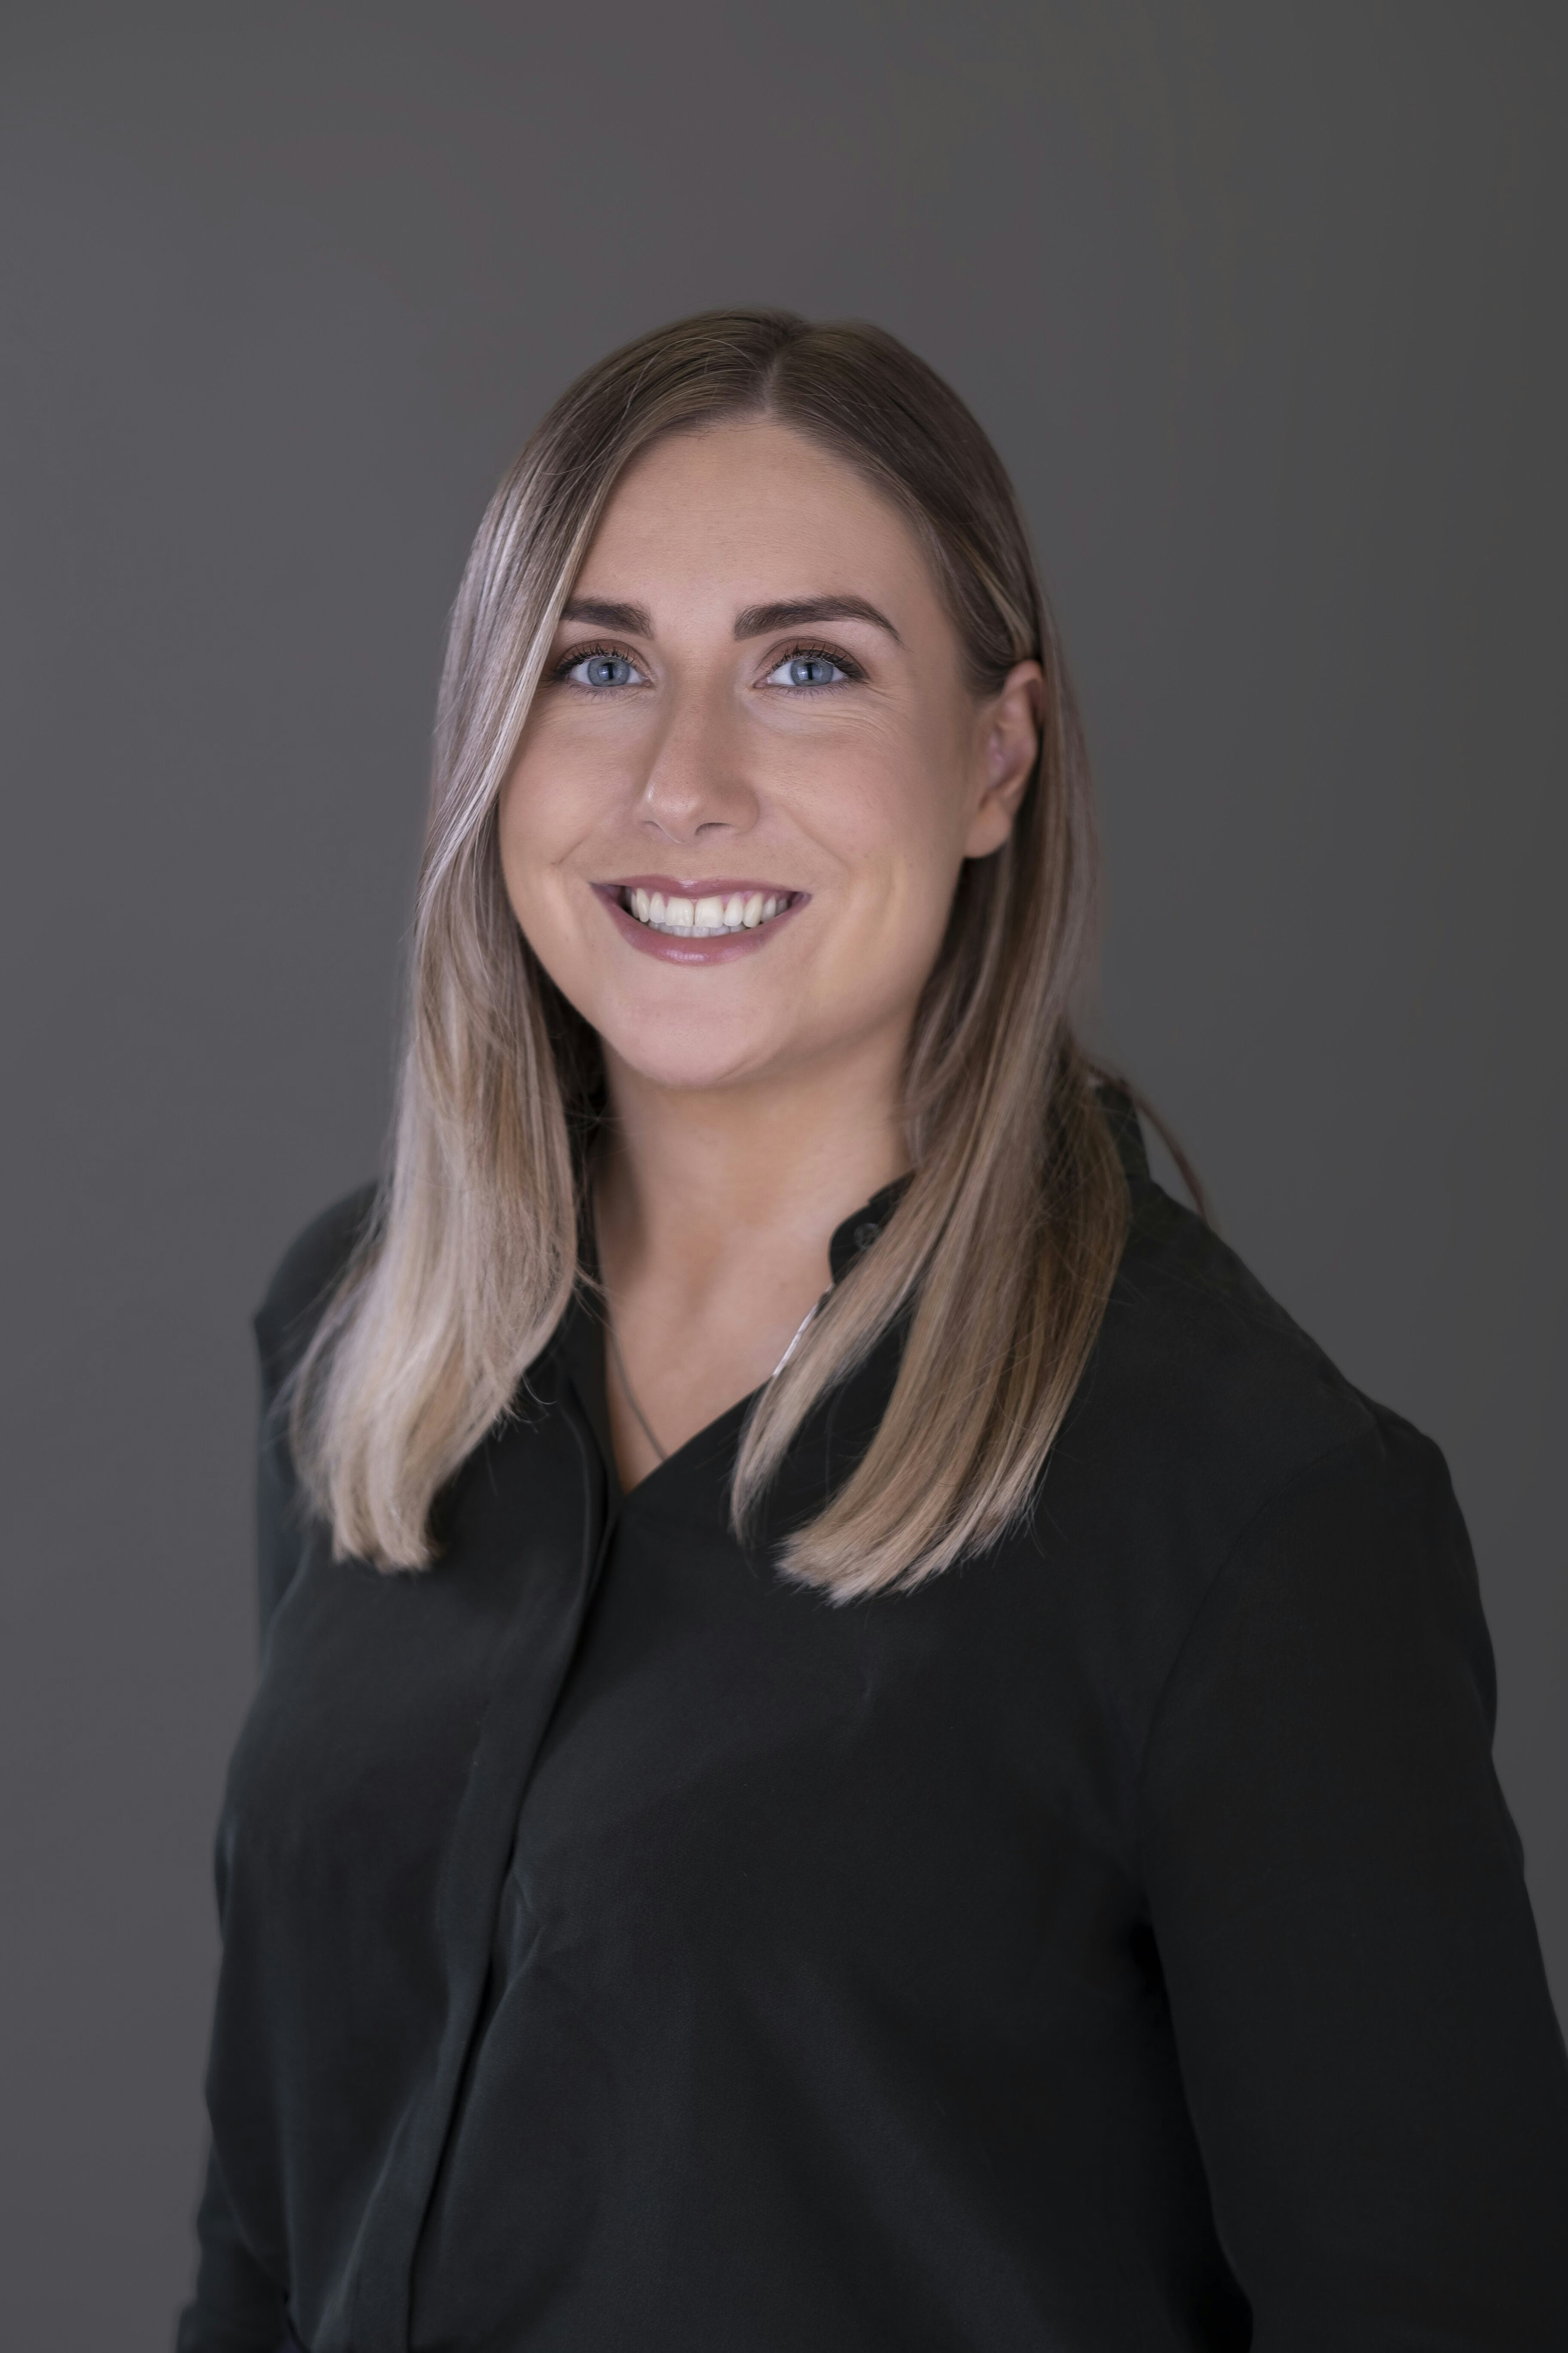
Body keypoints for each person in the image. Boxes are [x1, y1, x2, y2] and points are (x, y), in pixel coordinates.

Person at [178, 310, 1568, 2352]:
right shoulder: (362, 1349)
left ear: (996, 758)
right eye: (598, 664)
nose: (684, 781)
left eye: (808, 668)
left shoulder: (1247, 1514)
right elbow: (272, 2240)